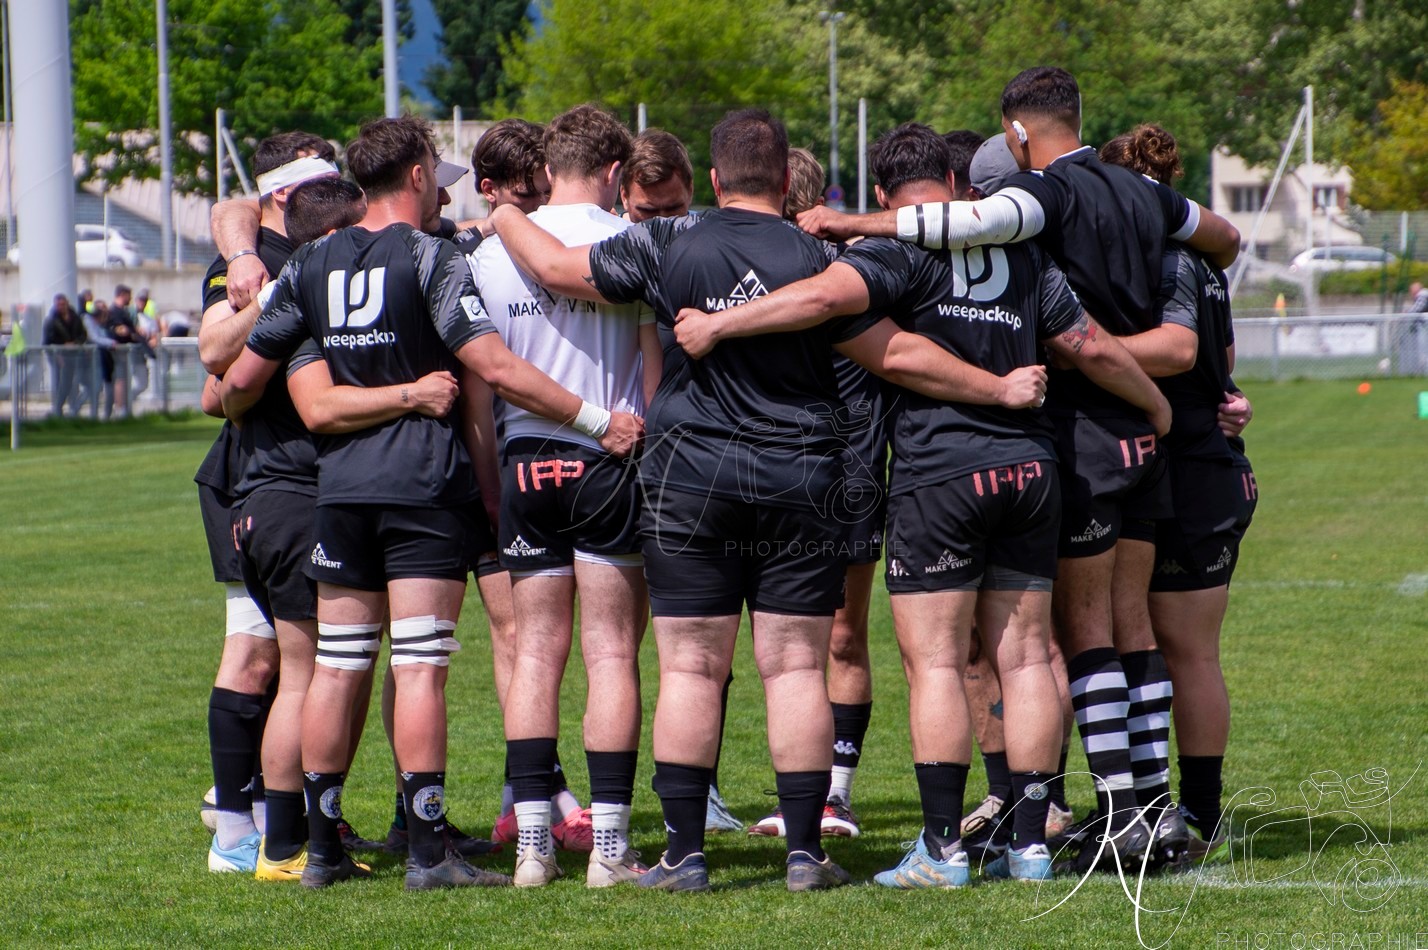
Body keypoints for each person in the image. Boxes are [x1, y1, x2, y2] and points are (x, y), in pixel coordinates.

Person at [483, 108, 1048, 892]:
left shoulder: (667, 240)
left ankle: (683, 855)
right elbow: (900, 355)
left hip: (691, 480)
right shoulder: (821, 255)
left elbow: (554, 269)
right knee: (792, 669)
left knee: (688, 666)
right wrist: (998, 387)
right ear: (786, 180)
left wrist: (506, 212)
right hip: (803, 477)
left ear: (714, 180)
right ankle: (805, 853)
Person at [673, 122, 1170, 885]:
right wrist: (1156, 409)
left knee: (936, 660)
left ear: (880, 196)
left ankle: (941, 850)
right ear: (957, 180)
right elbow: (1090, 345)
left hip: (943, 475)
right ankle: (1030, 845)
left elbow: (819, 298)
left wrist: (719, 323)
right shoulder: (1020, 250)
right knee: (1029, 654)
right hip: (1032, 473)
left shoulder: (891, 249)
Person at [798, 67, 1242, 872]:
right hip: (1143, 438)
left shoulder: (1047, 192)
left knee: (1086, 633)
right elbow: (1226, 238)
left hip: (1077, 433)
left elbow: (975, 227)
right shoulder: (1143, 194)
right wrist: (1166, 398)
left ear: (1015, 132)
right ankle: (1154, 805)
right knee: (1132, 626)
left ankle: (1116, 815)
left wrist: (847, 221)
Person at [219, 114, 641, 890]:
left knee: (337, 669)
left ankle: (322, 851)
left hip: (337, 490)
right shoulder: (432, 257)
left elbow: (237, 382)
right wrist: (591, 420)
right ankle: (427, 851)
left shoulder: (310, 263)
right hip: (420, 490)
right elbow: (495, 368)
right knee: (419, 669)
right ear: (417, 174)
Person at [466, 103, 657, 889]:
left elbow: (481, 394)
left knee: (534, 654)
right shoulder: (633, 243)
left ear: (547, 167)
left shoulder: (490, 254)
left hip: (523, 463)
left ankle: (532, 848)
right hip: (607, 457)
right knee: (611, 651)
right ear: (615, 173)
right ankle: (610, 851)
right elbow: (654, 369)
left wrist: (490, 486)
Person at [1100, 123, 1258, 862]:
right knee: (1185, 650)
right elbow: (1223, 364)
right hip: (1212, 462)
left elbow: (1184, 352)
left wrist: (1076, 348)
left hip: (1186, 468)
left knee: (1174, 650)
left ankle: (1178, 809)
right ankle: (1184, 807)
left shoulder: (1161, 255)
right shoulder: (1203, 257)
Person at [195, 130, 342, 878]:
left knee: (282, 659)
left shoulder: (279, 247)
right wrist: (271, 280)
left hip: (280, 480)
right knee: (262, 656)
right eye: (327, 178)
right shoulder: (249, 261)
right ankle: (240, 825)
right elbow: (214, 373)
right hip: (260, 482)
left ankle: (257, 817)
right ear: (285, 192)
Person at [620, 129, 695, 223]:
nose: (662, 222)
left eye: (673, 209)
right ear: (624, 197)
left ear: (690, 191)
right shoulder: (606, 235)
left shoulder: (709, 234)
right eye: (648, 211)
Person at [43, 294, 87, 417]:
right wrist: (61, 347)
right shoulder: (51, 321)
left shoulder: (75, 317)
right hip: (58, 356)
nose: (61, 307)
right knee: (61, 383)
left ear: (67, 303)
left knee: (72, 383)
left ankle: (73, 409)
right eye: (59, 305)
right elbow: (48, 341)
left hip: (73, 356)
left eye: (63, 304)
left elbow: (83, 334)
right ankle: (57, 409)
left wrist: (75, 343)